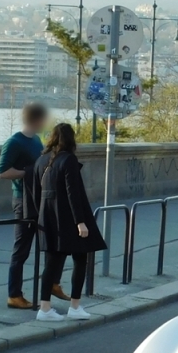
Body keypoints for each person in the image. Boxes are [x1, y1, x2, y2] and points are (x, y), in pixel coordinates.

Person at [33, 123, 106, 321]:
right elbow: (73, 193)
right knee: (80, 258)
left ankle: (45, 308)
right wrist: (80, 222)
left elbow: (35, 194)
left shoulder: (41, 160)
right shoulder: (69, 160)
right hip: (67, 218)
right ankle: (75, 306)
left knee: (51, 263)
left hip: (47, 217)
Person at [0, 101, 51, 309]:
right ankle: (14, 295)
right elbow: (2, 172)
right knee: (21, 249)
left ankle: (48, 289)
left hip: (38, 198)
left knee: (48, 244)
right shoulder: (14, 143)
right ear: (36, 120)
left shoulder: (36, 140)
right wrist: (29, 173)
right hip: (22, 200)